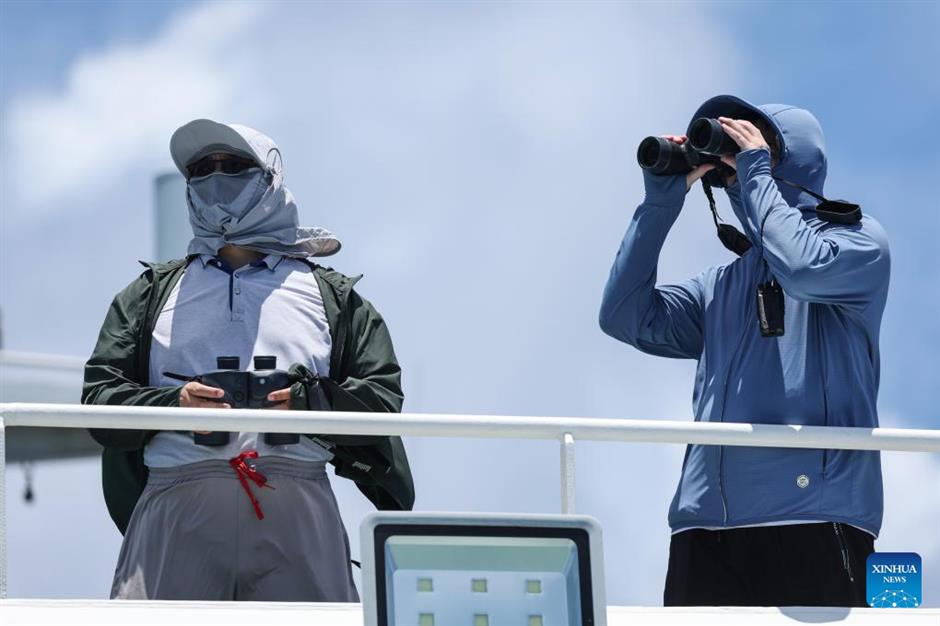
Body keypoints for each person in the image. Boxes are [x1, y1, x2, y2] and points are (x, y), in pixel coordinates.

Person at [83, 119, 413, 601]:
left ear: (271, 178)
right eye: (201, 168)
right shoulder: (148, 296)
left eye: (234, 165)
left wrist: (308, 402)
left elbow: (382, 401)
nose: (215, 177)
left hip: (297, 500)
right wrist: (173, 403)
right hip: (177, 498)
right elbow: (98, 399)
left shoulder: (333, 299)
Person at [599, 95, 890, 607]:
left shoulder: (859, 245)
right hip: (703, 530)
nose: (734, 159)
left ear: (792, 159)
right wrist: (660, 204)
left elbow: (801, 268)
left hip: (814, 521)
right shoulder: (720, 286)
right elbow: (623, 316)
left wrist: (756, 172)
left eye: (750, 143)